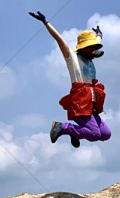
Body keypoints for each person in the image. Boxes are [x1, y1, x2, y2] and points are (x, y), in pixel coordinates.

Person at [29, 10, 111, 149]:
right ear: (83, 48)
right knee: (95, 134)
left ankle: (76, 133)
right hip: (80, 104)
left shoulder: (90, 58)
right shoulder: (72, 59)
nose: (93, 50)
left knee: (105, 134)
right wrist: (46, 23)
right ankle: (63, 128)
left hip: (91, 106)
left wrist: (99, 35)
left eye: (94, 47)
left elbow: (97, 42)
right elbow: (59, 39)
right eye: (90, 47)